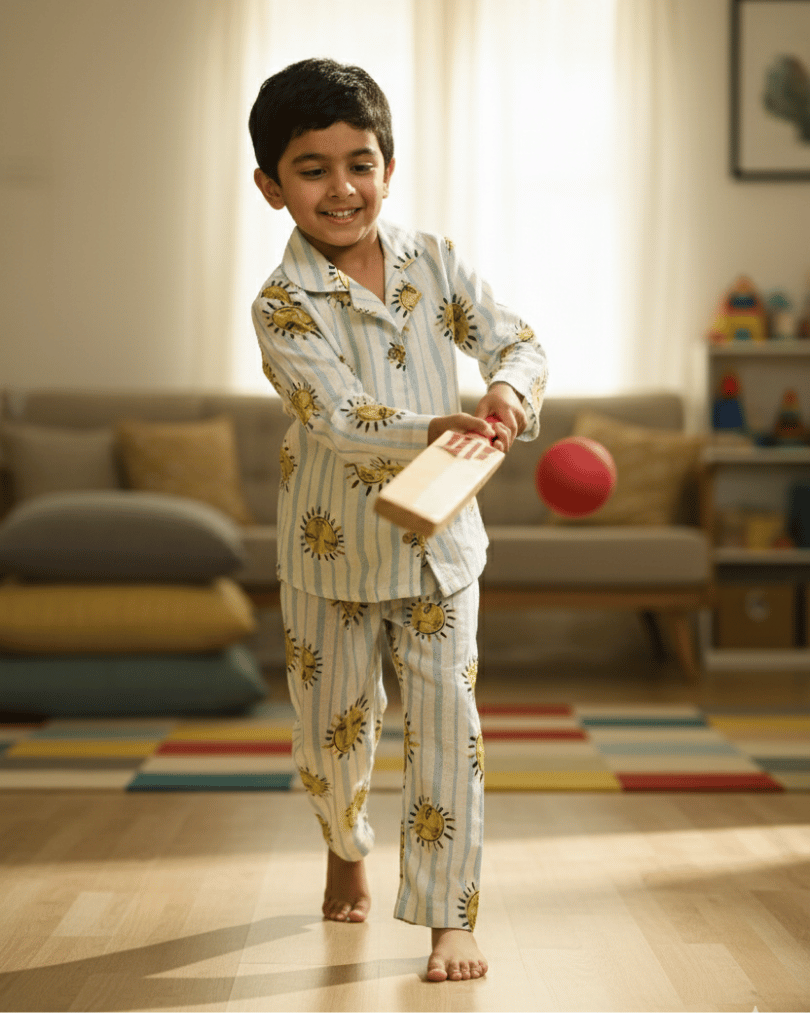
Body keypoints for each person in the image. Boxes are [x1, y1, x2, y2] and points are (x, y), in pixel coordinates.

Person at [248, 57, 547, 983]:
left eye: (361, 162)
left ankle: (448, 918)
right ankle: (345, 837)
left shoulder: (434, 261)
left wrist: (504, 386)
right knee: (332, 740)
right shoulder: (282, 304)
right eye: (313, 168)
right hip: (329, 558)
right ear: (271, 187)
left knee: (446, 730)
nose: (343, 187)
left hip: (439, 554)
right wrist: (436, 425)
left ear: (388, 164)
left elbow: (519, 339)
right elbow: (338, 419)